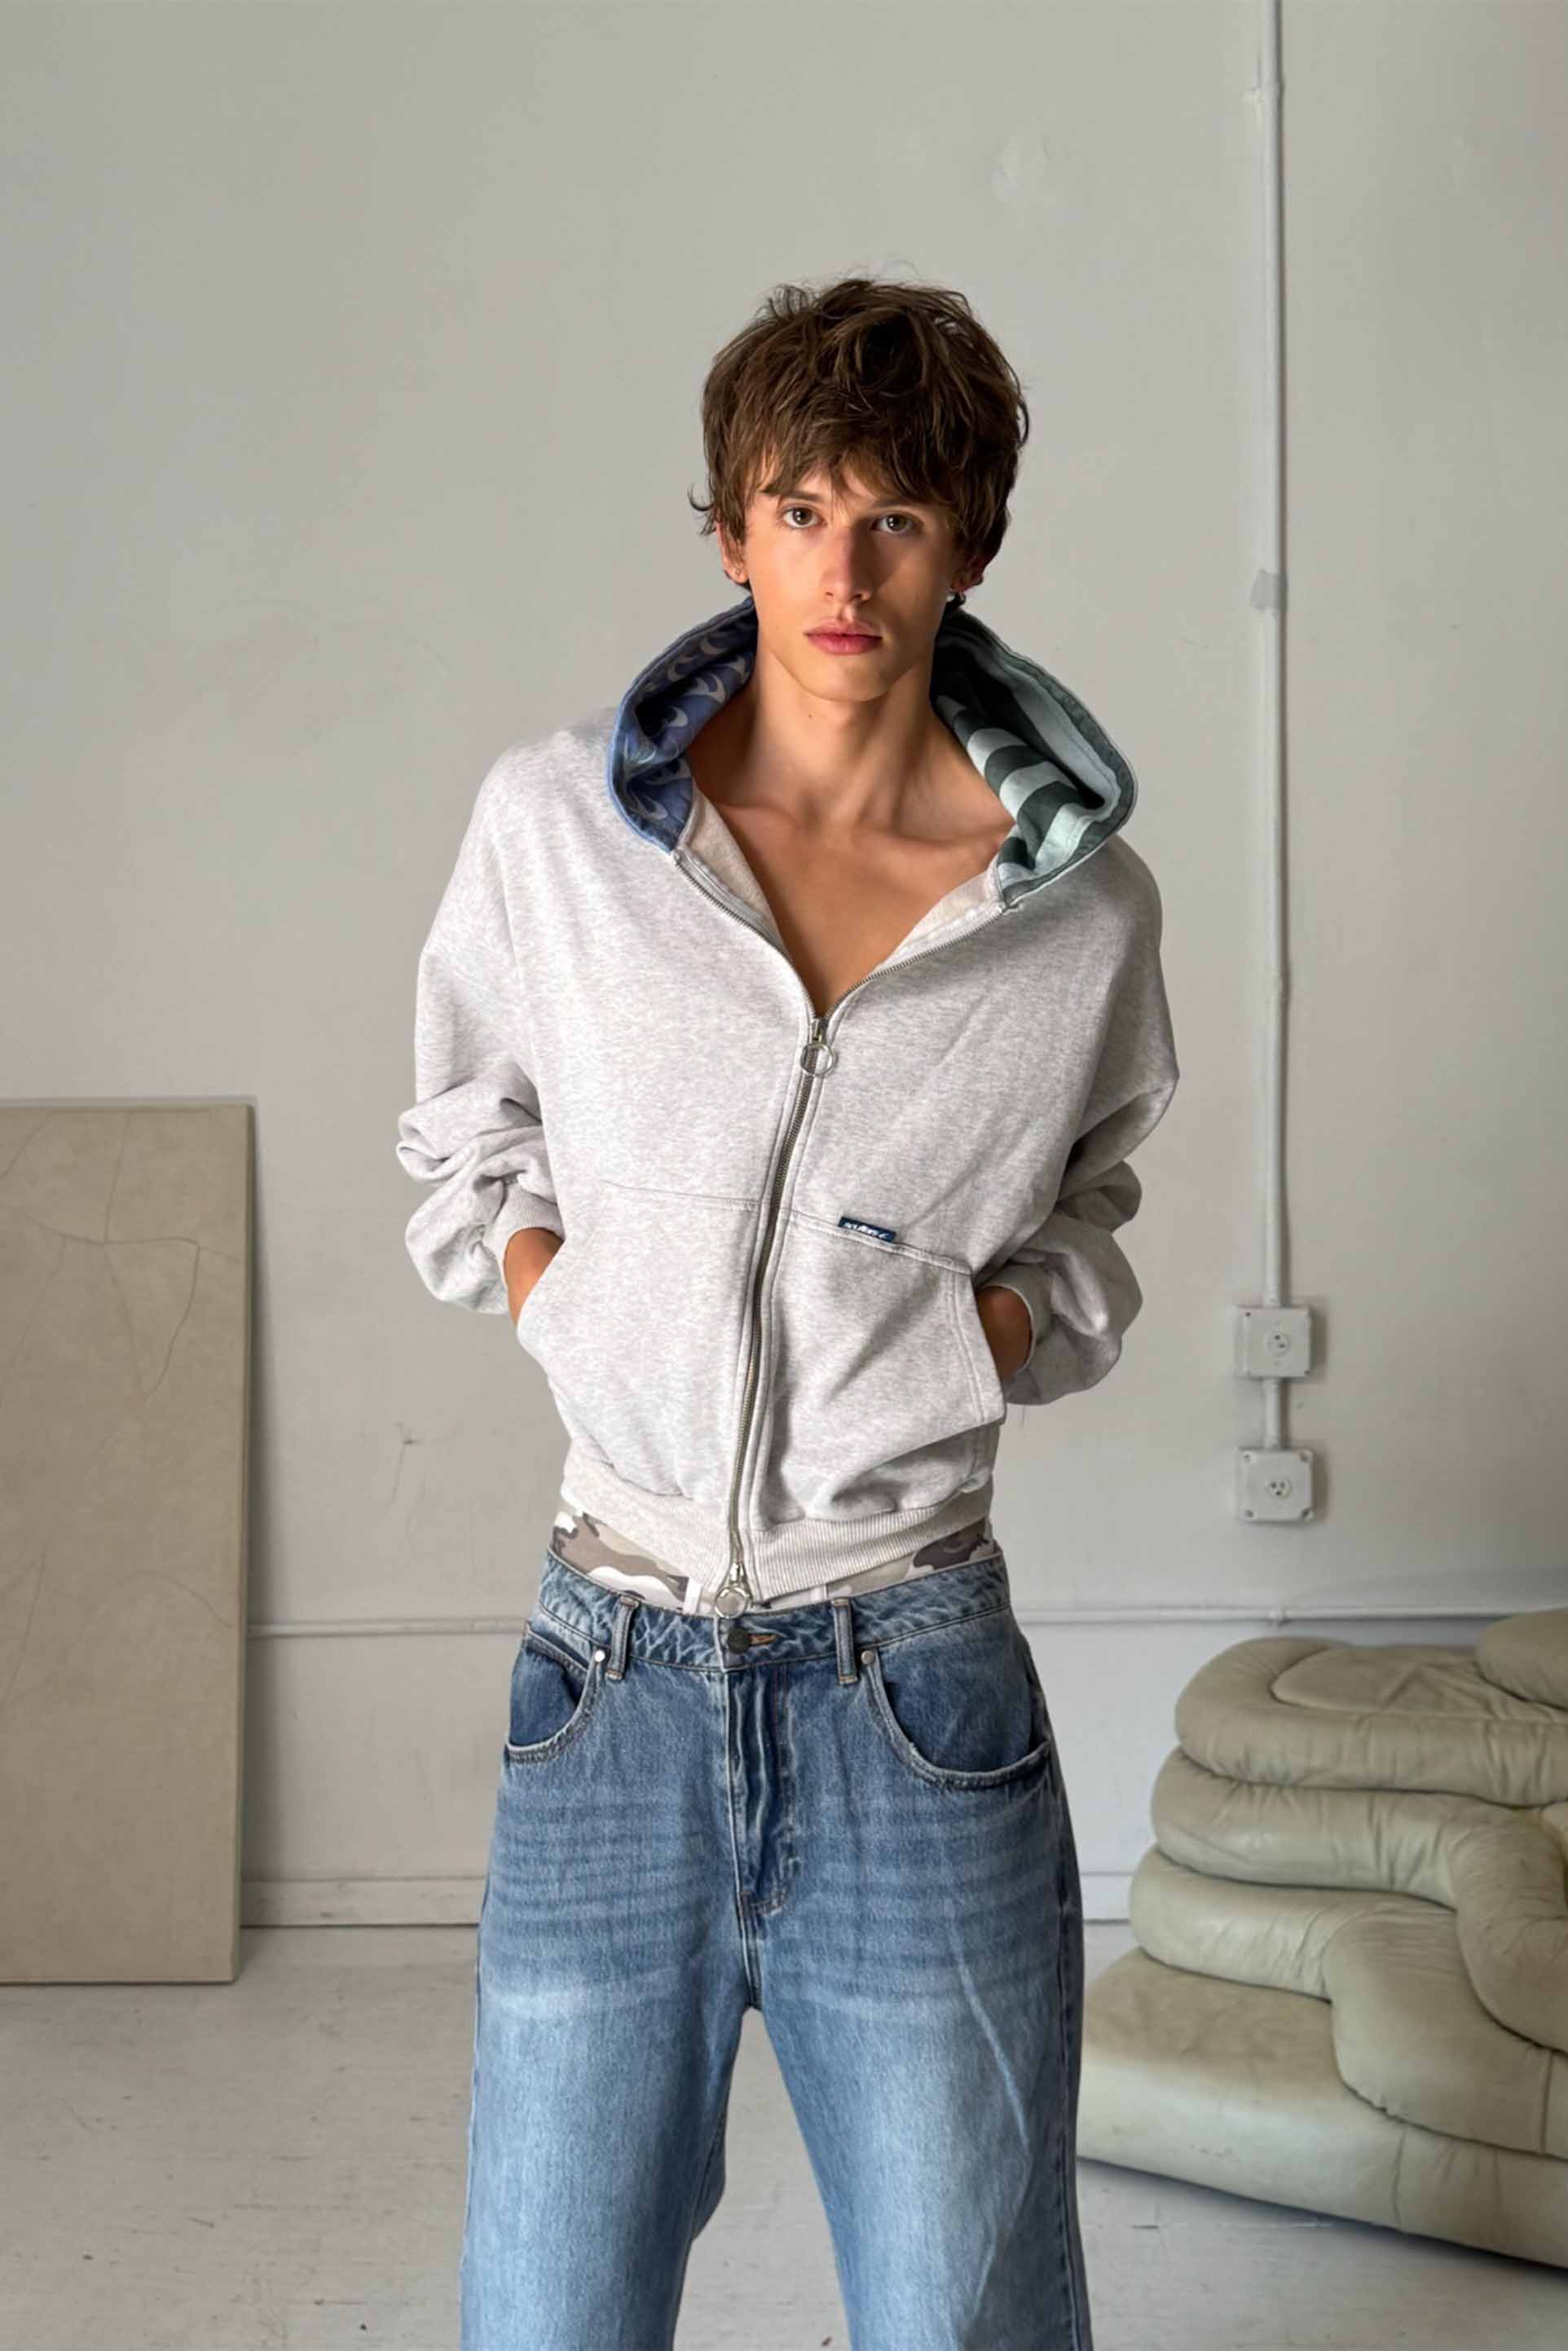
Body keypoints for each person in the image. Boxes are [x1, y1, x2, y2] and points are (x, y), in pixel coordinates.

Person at [396, 274, 1178, 2351]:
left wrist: (969, 1345)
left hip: (910, 1686)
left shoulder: (1074, 909)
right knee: (547, 2315)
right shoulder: (562, 832)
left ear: (968, 546)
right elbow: (467, 1134)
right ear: (730, 531)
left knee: (962, 2315)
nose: (844, 572)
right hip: (606, 1679)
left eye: (895, 518)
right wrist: (575, 1309)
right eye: (799, 509)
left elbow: (1089, 1217)